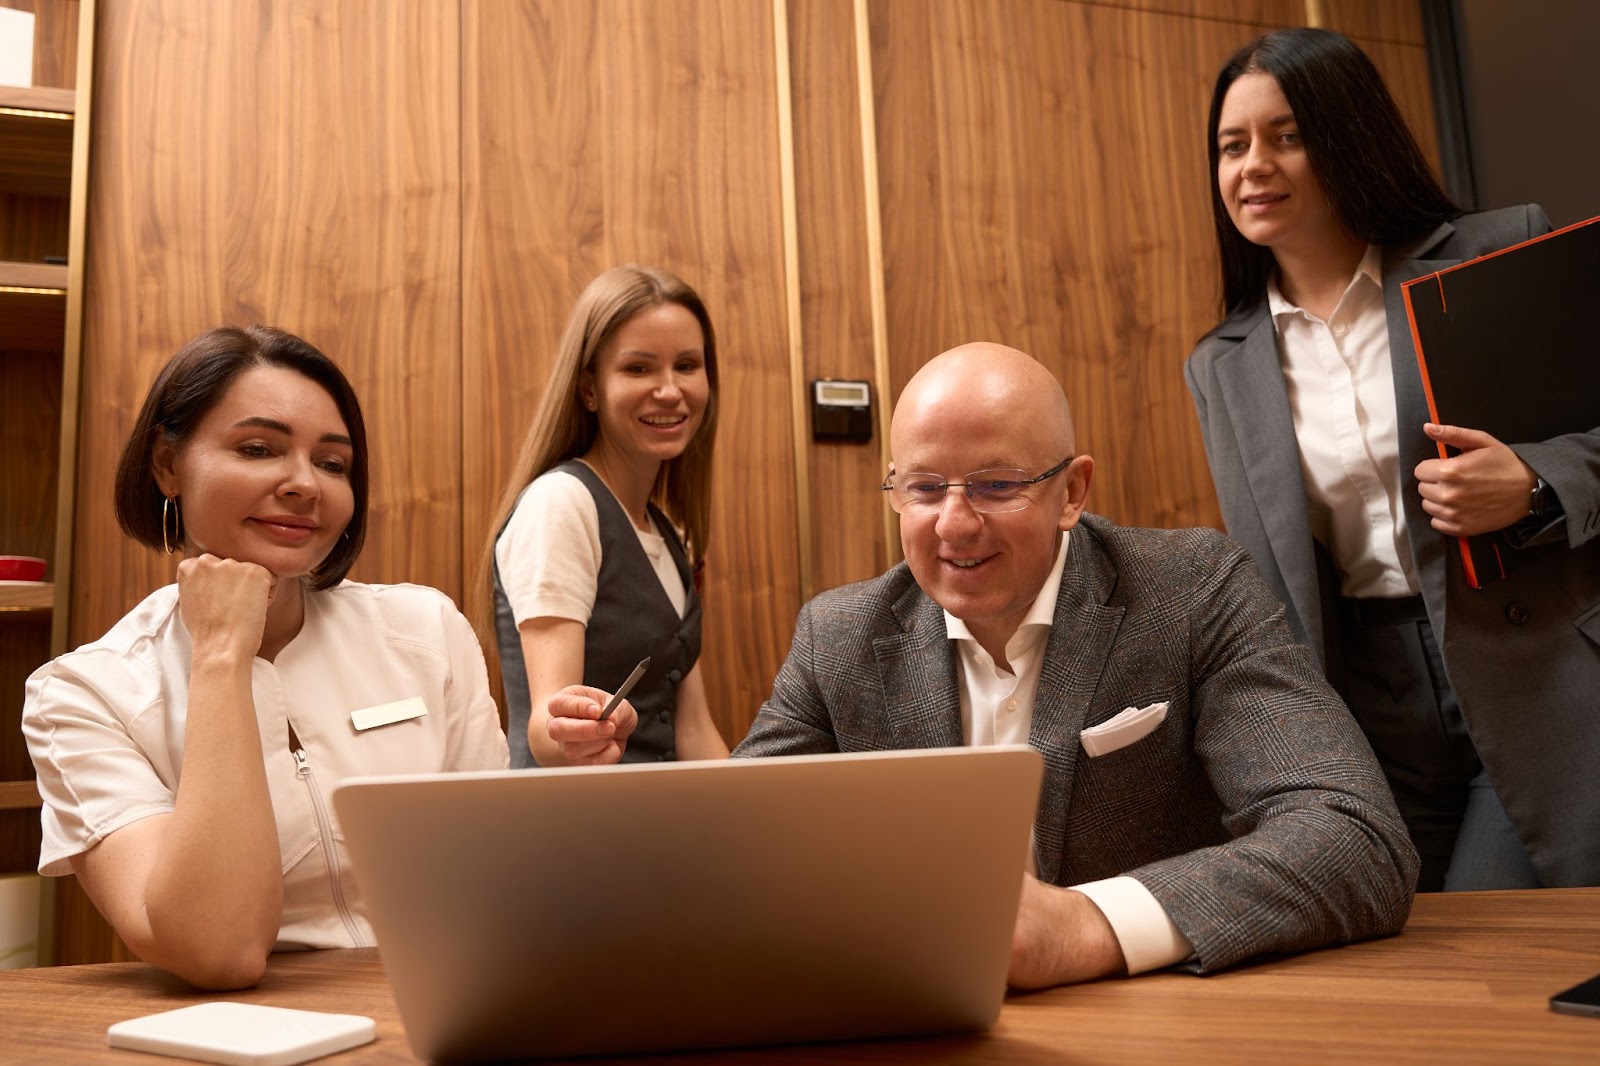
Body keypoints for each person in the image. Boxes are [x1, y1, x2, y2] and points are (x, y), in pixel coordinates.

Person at [548, 342, 1418, 989]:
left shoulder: (1192, 592)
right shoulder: (840, 636)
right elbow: (735, 849)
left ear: (1073, 490)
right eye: (923, 489)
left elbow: (1356, 838)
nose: (953, 525)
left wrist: (1087, 926)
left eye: (996, 486)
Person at [1184, 27, 1600, 892]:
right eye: (1232, 145)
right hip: (1364, 706)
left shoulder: (1492, 253)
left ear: (1349, 137)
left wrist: (1532, 483)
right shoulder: (1220, 365)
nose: (1252, 165)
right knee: (1394, 954)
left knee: (1498, 945)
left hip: (1530, 666)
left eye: (1287, 135)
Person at [23, 326, 509, 990]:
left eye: (334, 463)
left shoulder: (424, 629)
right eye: (259, 449)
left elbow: (499, 878)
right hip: (245, 1031)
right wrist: (222, 657)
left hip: (449, 997)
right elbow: (215, 951)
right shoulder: (83, 695)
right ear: (168, 464)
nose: (306, 485)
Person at [485, 265, 728, 767]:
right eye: (639, 368)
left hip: (657, 825)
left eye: (686, 365)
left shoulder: (669, 533)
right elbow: (546, 733)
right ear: (589, 389)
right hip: (577, 830)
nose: (669, 390)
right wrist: (577, 733)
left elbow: (695, 729)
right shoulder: (561, 505)